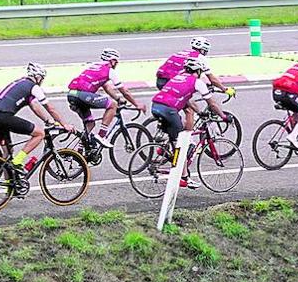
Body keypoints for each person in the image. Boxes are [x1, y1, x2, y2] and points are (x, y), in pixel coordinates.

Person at [0, 63, 73, 171]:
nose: (42, 81)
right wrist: (64, 124)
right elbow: (50, 108)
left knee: (7, 155)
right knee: (39, 134)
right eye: (42, 79)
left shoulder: (21, 82)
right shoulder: (33, 87)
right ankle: (17, 161)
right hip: (3, 117)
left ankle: (9, 186)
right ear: (38, 77)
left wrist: (48, 120)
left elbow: (35, 106)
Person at [150, 57, 215, 189]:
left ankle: (164, 151)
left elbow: (188, 102)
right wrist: (224, 116)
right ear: (197, 71)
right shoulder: (196, 82)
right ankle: (184, 177)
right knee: (181, 145)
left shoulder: (177, 77)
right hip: (169, 111)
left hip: (156, 106)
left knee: (179, 129)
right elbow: (212, 103)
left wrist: (198, 111)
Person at [66, 49, 142, 148]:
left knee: (90, 124)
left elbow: (106, 87)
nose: (116, 64)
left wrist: (118, 99)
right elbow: (125, 92)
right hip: (82, 95)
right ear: (112, 61)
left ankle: (80, 152)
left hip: (72, 95)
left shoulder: (94, 66)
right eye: (116, 62)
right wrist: (137, 104)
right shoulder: (109, 70)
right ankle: (101, 135)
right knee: (112, 105)